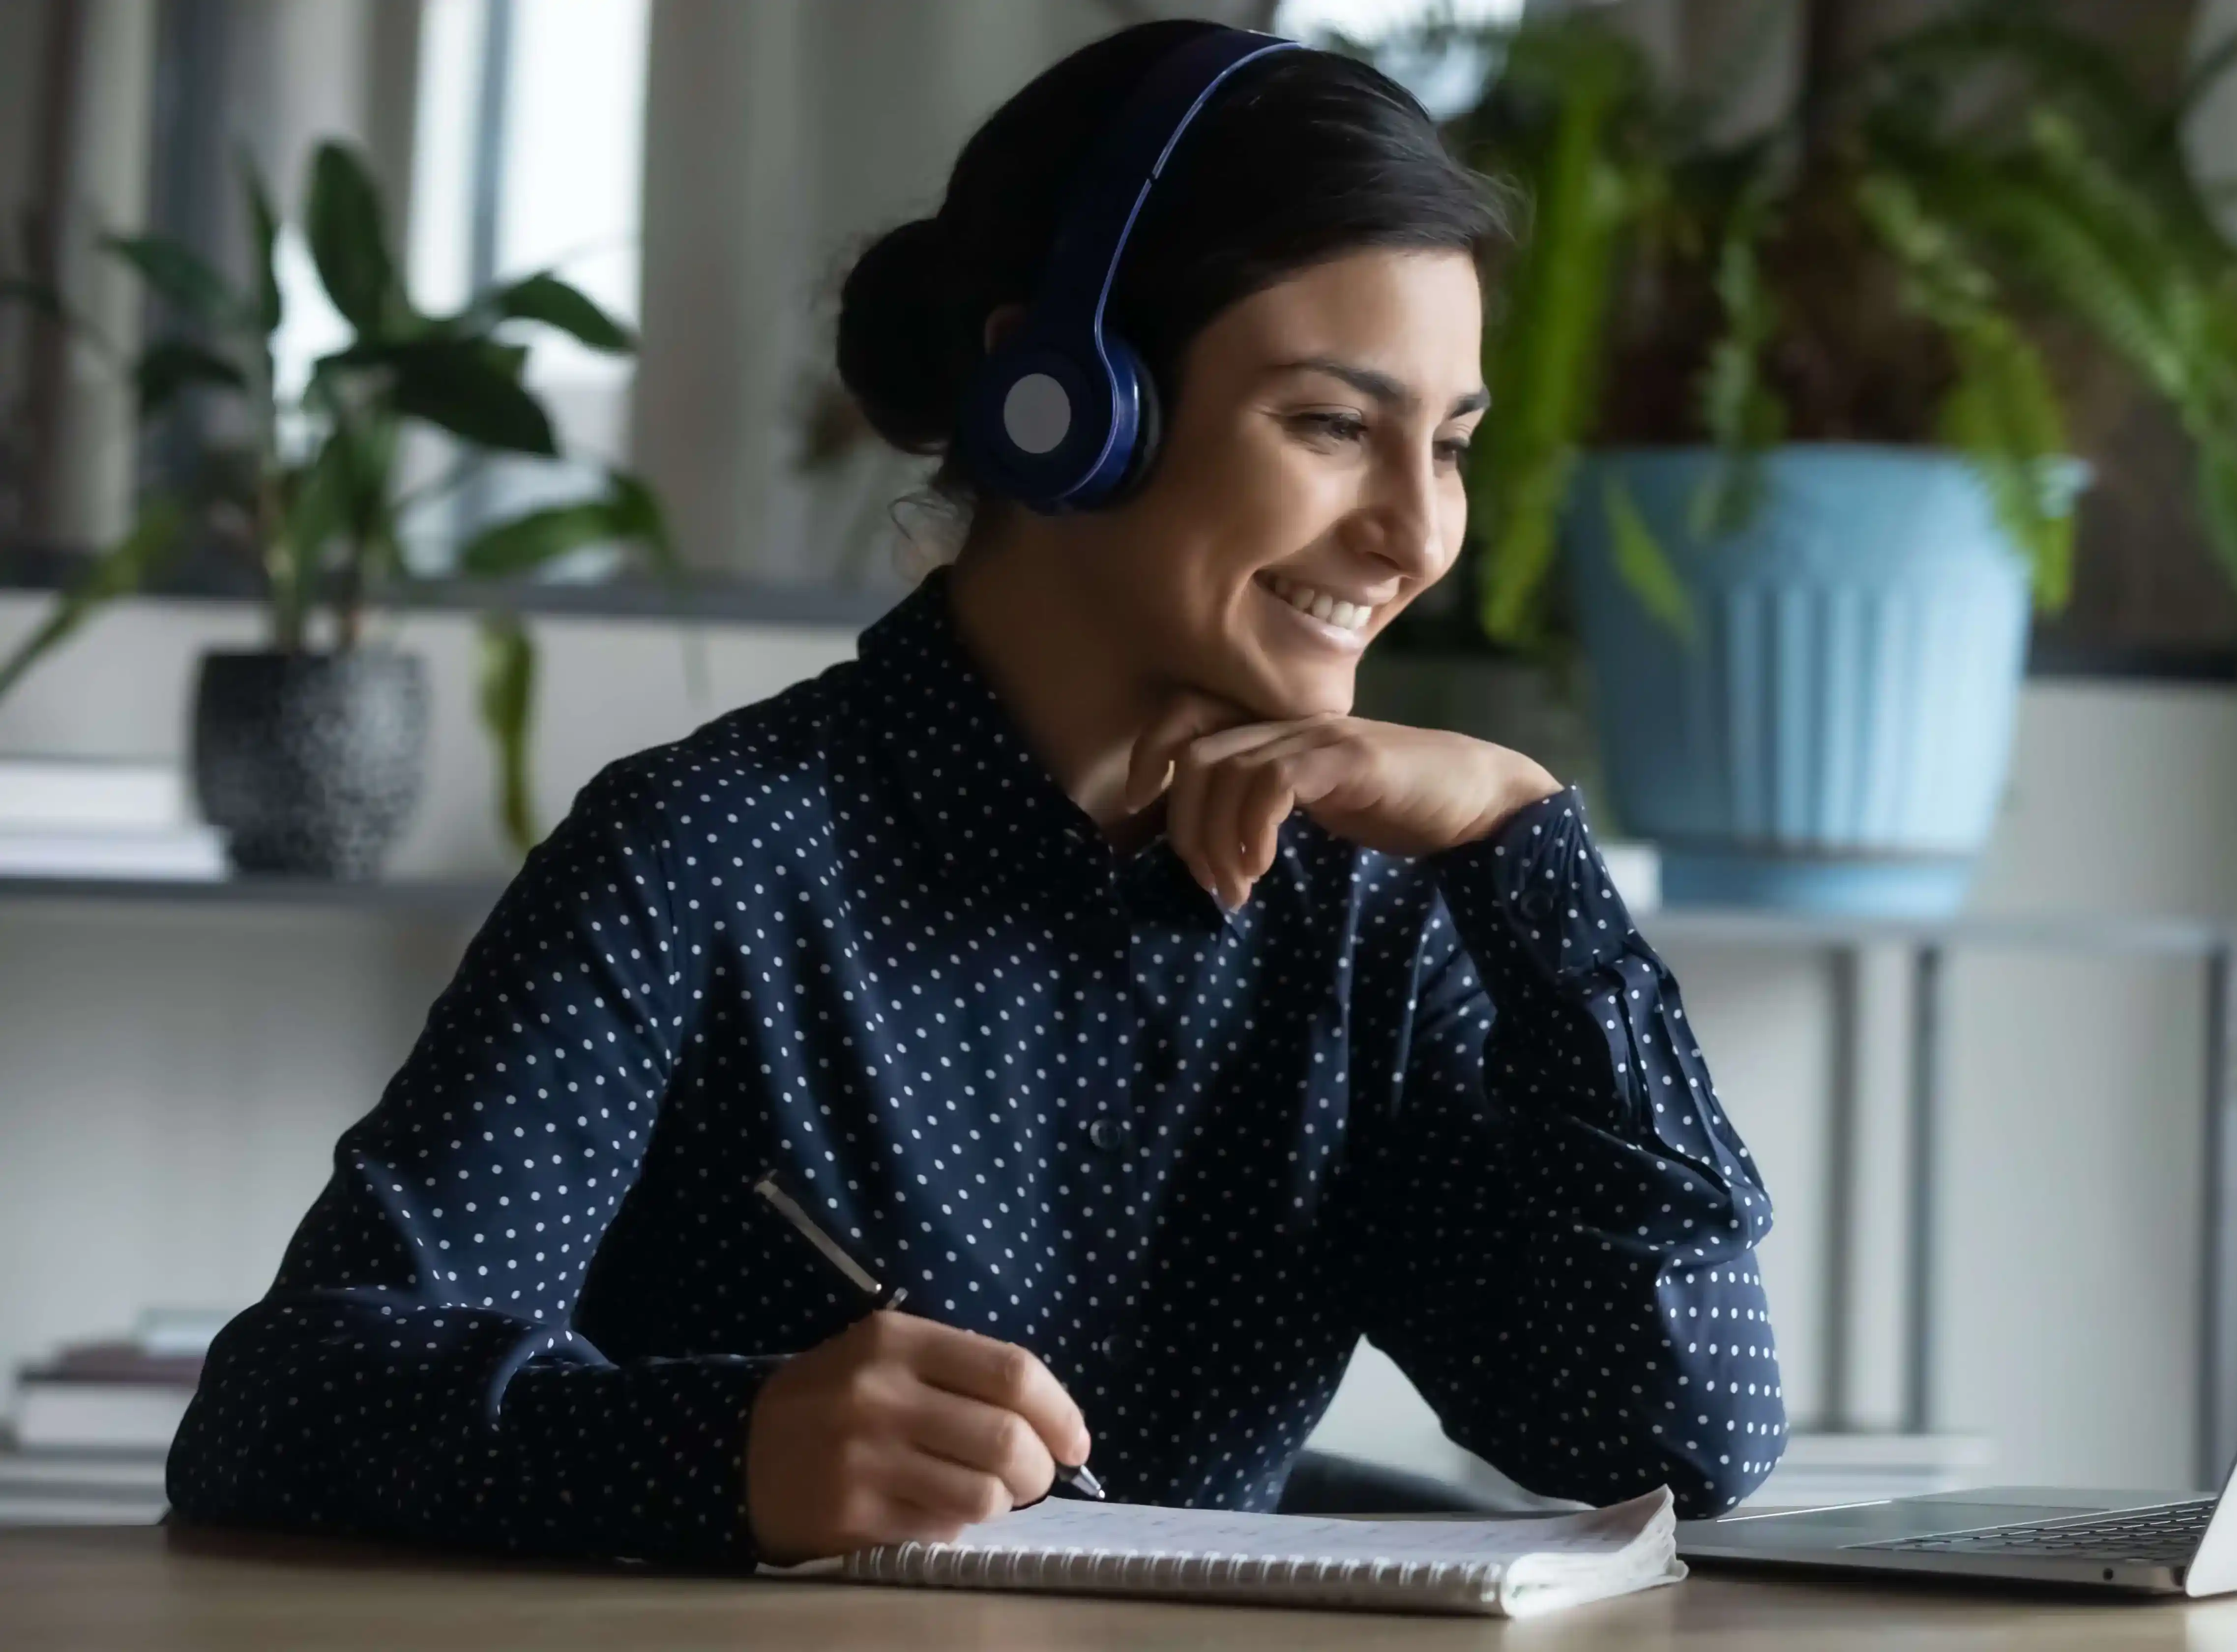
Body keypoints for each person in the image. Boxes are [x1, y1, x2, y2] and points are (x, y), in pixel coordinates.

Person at [168, 20, 1784, 1567]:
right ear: (1062, 403)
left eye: (1450, 446)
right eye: (1332, 425)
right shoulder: (707, 853)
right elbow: (283, 1407)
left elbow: (1685, 1431)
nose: (1416, 535)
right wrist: (729, 1451)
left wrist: (1522, 844)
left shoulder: (1372, 908)